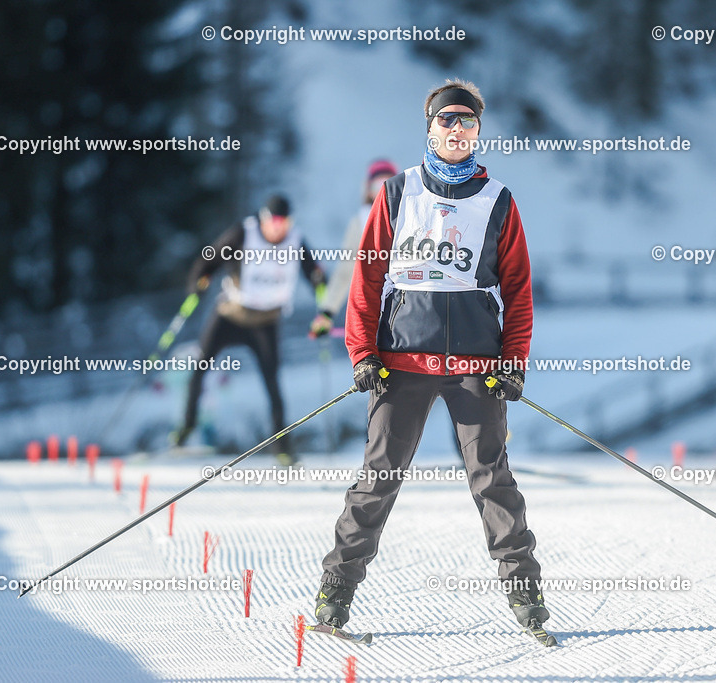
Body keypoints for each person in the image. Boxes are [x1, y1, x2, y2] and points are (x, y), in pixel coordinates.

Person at [314, 79, 549, 634]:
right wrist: (362, 352)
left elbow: (518, 289)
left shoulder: (499, 201)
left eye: (467, 121)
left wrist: (512, 361)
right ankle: (335, 593)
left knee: (492, 480)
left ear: (478, 132)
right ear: (430, 127)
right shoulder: (397, 194)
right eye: (448, 120)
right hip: (402, 364)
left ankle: (526, 597)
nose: (458, 129)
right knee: (378, 480)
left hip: (476, 368)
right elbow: (366, 278)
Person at [174, 194, 326, 465]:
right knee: (200, 369)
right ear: (264, 219)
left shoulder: (295, 241)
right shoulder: (243, 234)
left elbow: (313, 272)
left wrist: (320, 286)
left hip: (265, 323)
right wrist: (198, 280)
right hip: (230, 315)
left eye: (284, 221)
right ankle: (186, 428)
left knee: (273, 383)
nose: (278, 227)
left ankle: (282, 447)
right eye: (273, 221)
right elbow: (210, 259)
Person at [309, 159, 398, 338]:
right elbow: (346, 271)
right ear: (368, 189)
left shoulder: (413, 214)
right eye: (376, 185)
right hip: (373, 307)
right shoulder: (360, 223)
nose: (382, 191)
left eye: (387, 184)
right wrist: (327, 311)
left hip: (407, 306)